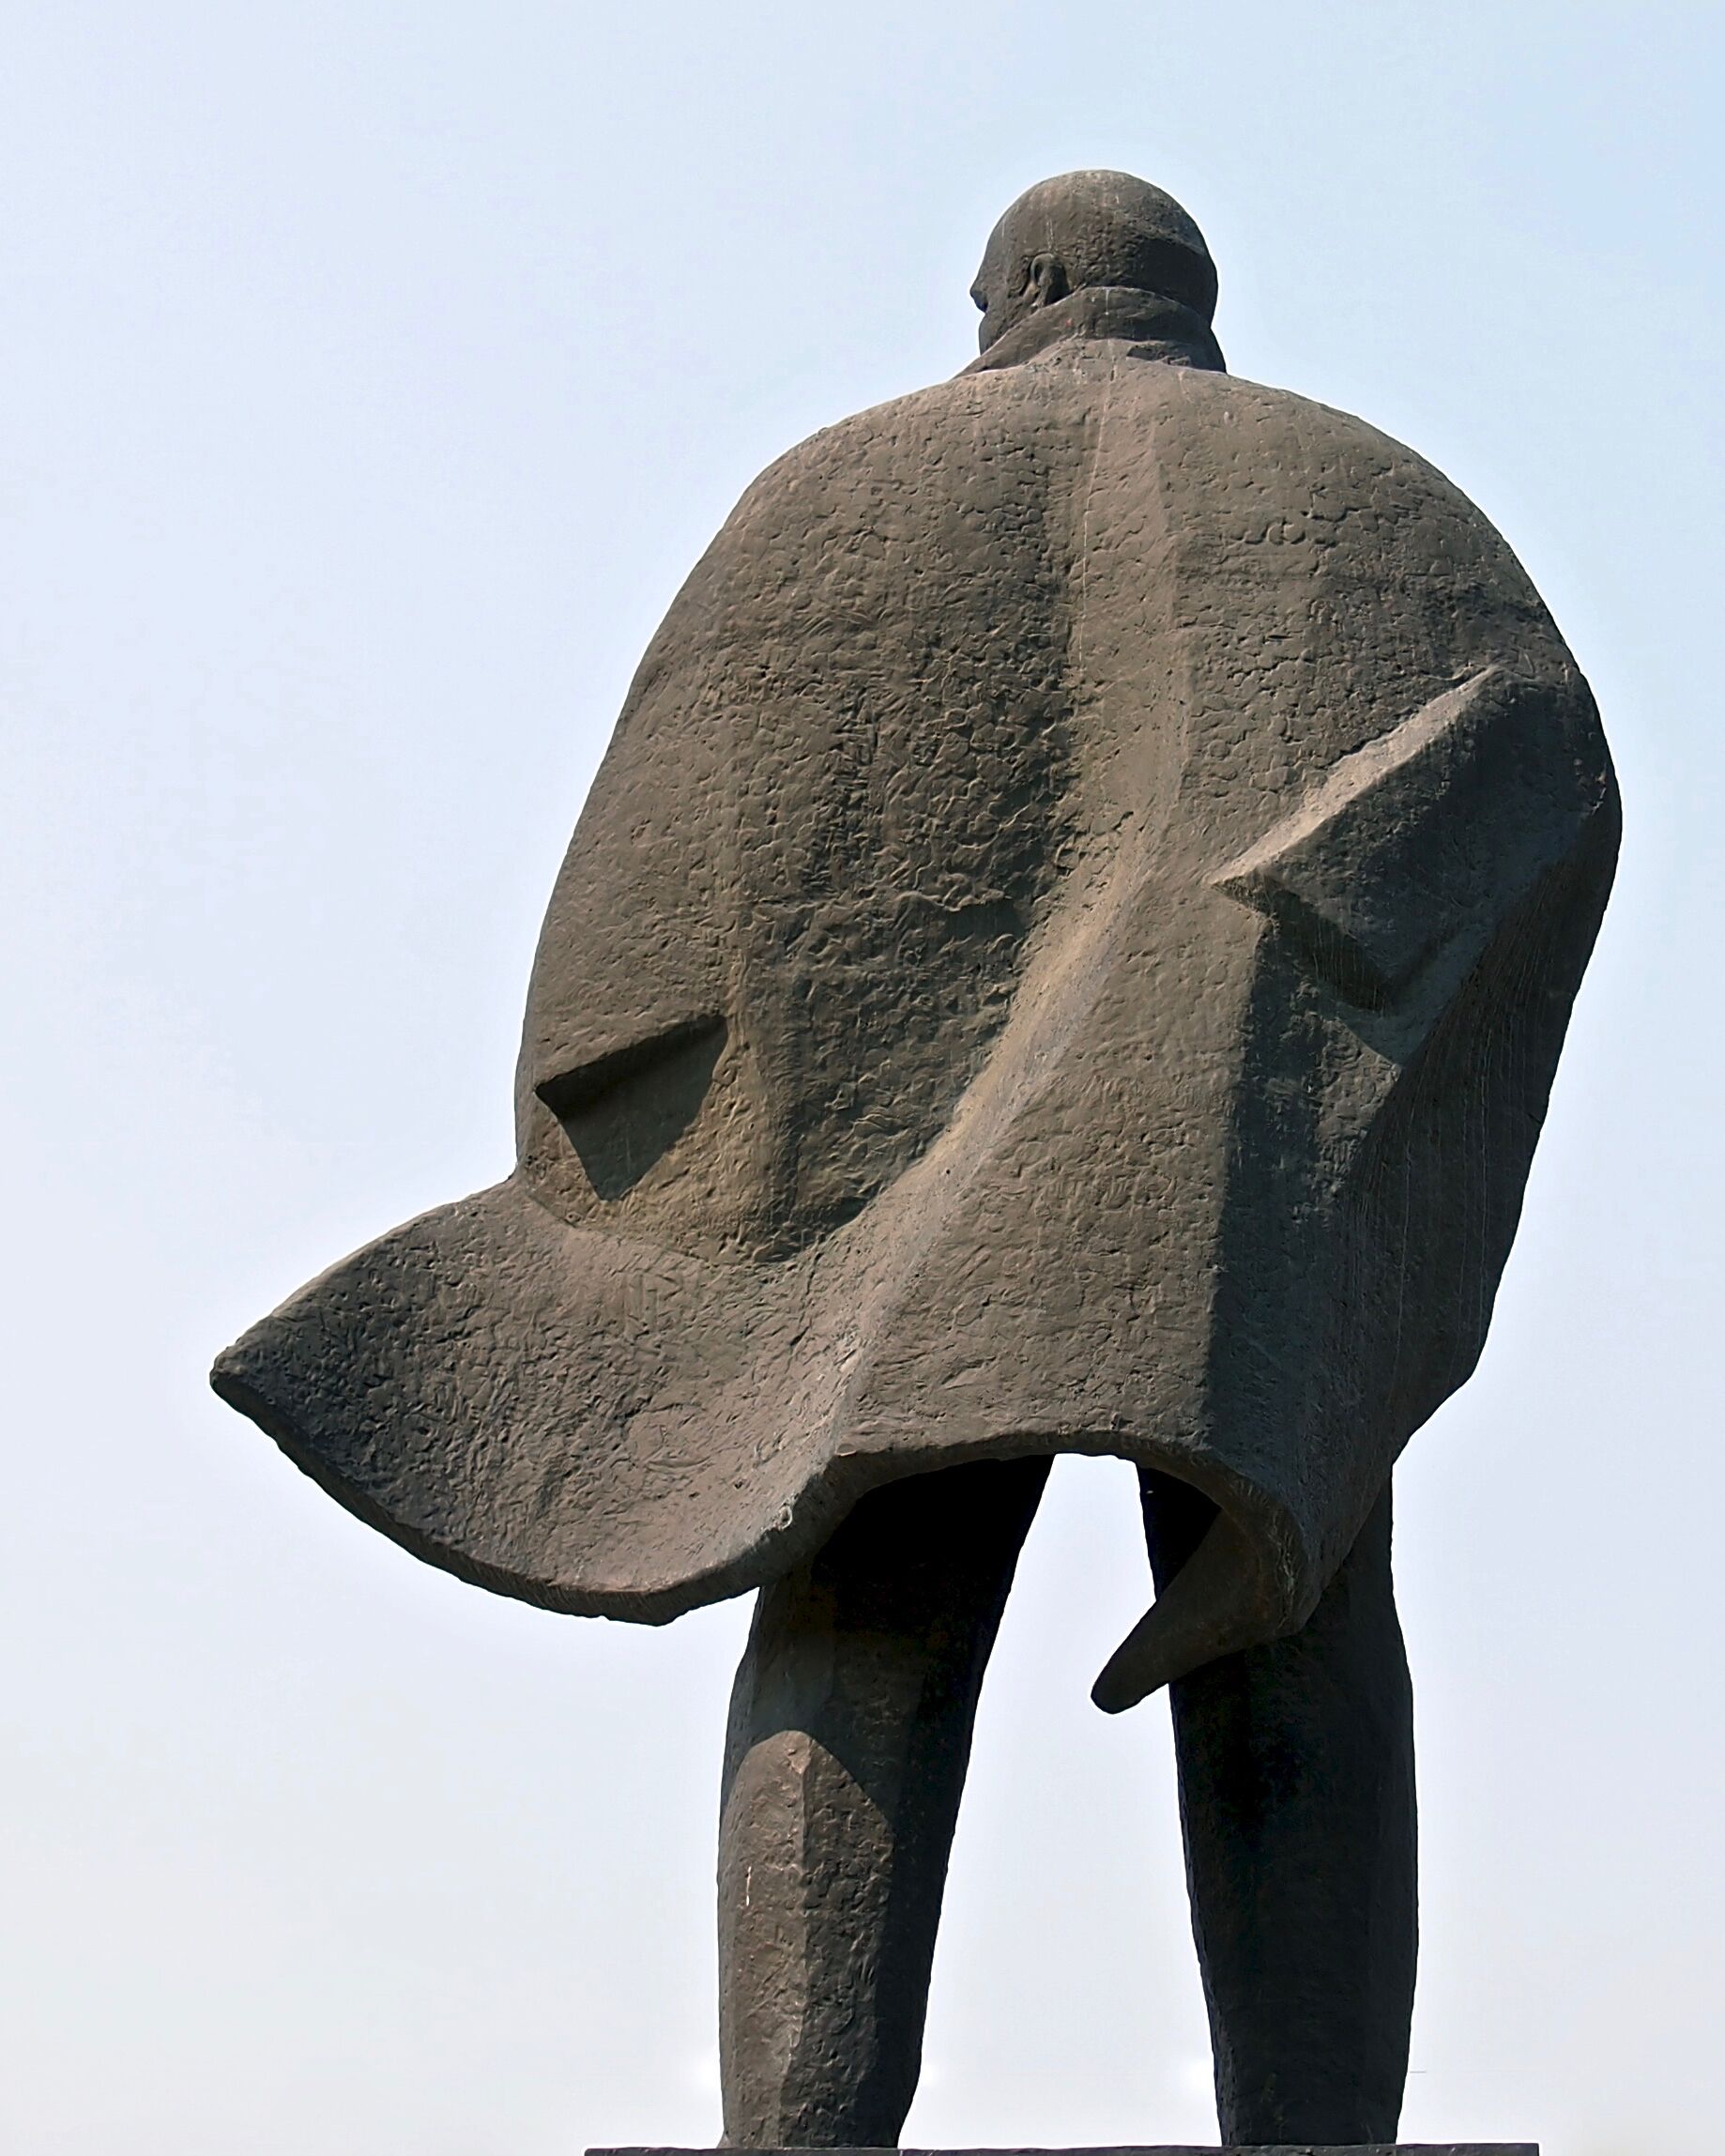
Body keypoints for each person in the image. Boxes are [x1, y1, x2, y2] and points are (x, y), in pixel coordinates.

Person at [215, 173, 1618, 2147]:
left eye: (986, 302)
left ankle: (805, 2126)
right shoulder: (1381, 502)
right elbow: (1541, 759)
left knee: (870, 1577)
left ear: (1033, 286)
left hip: (899, 1205)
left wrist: (624, 1179)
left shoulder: (836, 498)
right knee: (1298, 1581)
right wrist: (1307, 995)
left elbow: (648, 897)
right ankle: (1317, 2132)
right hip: (1232, 1166)